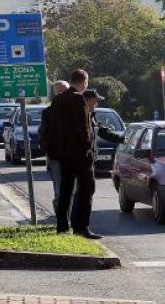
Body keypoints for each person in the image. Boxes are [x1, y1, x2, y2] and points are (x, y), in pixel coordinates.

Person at [66, 89, 124, 239]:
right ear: (87, 100)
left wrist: (121, 139)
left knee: (83, 192)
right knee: (85, 192)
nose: (97, 104)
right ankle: (82, 228)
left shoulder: (89, 116)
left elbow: (101, 131)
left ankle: (78, 227)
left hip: (86, 159)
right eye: (95, 101)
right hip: (81, 159)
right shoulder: (79, 116)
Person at [48, 69, 98, 237]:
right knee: (87, 188)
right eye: (86, 83)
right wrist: (88, 146)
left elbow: (53, 127)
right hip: (79, 153)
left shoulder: (58, 100)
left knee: (65, 190)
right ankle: (81, 227)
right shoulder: (78, 99)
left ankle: (62, 227)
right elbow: (82, 127)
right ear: (84, 82)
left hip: (63, 153)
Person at [39, 80, 70, 212]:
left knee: (73, 189)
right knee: (59, 187)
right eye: (59, 92)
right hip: (56, 157)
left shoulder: (78, 109)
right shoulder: (47, 112)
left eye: (64, 92)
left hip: (74, 157)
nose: (62, 94)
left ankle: (70, 214)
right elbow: (43, 132)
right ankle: (61, 214)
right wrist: (47, 149)